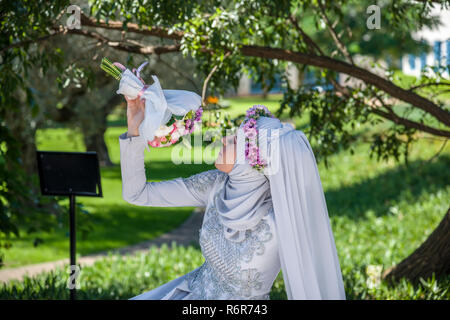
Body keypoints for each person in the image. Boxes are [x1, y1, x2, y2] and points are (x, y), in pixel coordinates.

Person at [120, 96, 346, 300]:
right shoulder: (215, 184)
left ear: (252, 161)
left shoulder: (282, 216)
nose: (225, 139)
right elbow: (137, 194)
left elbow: (308, 280)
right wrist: (134, 128)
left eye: (236, 141)